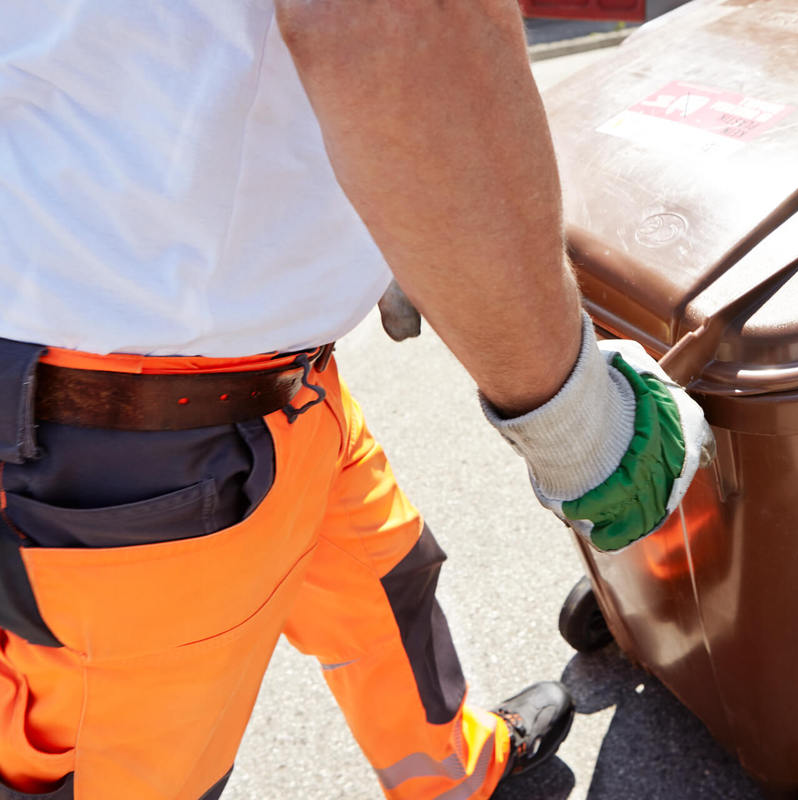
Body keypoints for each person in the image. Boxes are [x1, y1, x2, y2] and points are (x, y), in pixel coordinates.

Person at [0, 2, 709, 798]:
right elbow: (400, 27)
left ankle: (456, 775)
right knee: (133, 769)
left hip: (271, 379)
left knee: (386, 582)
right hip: (123, 434)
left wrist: (389, 230)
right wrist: (576, 420)